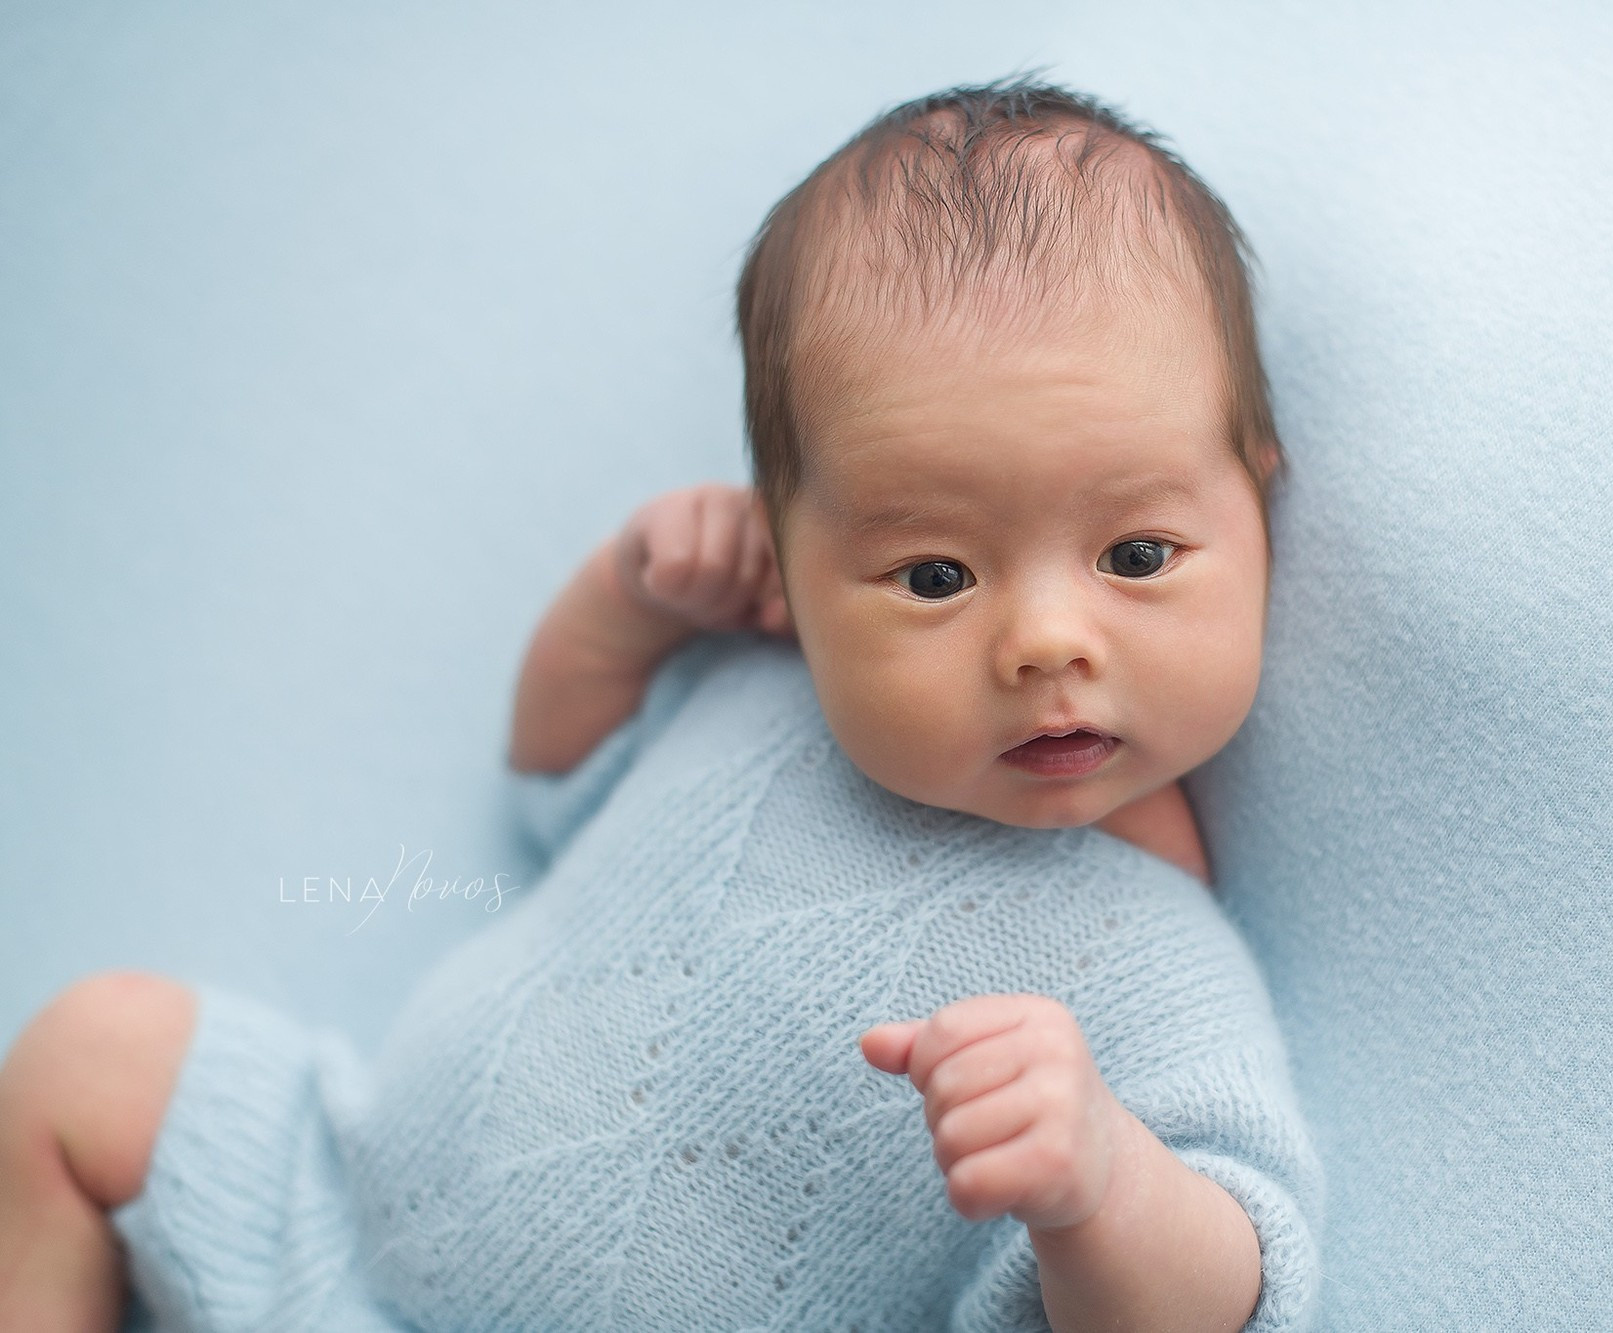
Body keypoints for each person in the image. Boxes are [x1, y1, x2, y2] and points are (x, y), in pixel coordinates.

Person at [0, 78, 1322, 1332]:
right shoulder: (755, 690)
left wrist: (1101, 1179)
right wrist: (627, 603)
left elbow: (1231, 1290)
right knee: (96, 1052)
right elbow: (550, 771)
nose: (1043, 641)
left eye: (1136, 556)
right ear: (794, 564)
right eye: (935, 574)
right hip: (333, 1220)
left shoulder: (1159, 968)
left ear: (1255, 501)